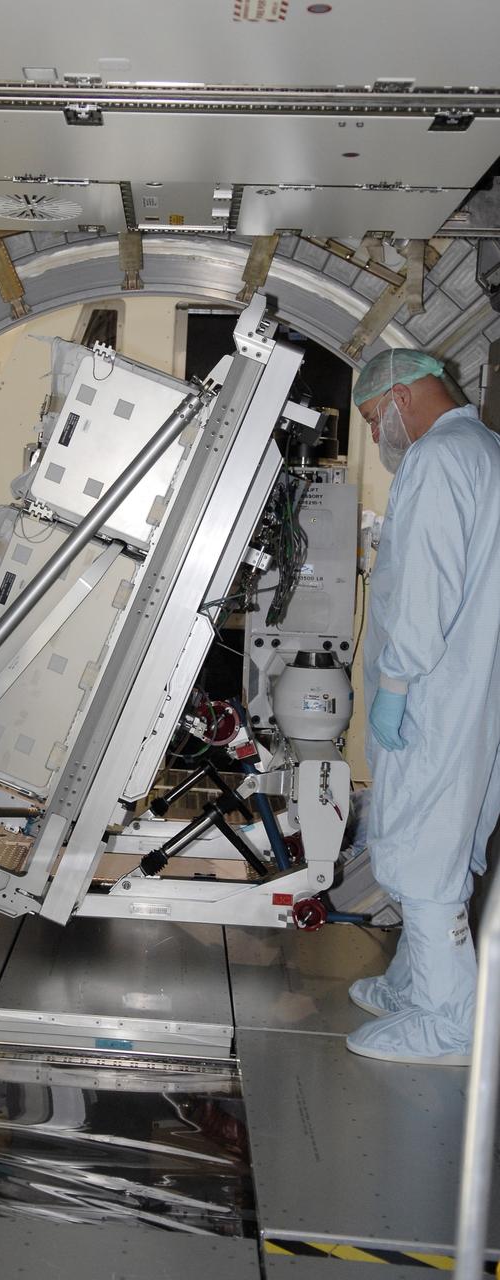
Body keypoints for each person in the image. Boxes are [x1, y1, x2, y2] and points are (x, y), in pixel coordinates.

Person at [347, 348, 500, 1066]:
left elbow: (424, 588)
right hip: (479, 691)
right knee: (451, 844)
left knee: (419, 844)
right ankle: (418, 982)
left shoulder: (438, 460)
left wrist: (397, 685)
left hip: (436, 692)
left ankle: (449, 1024)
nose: (381, 438)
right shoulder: (487, 450)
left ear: (402, 396)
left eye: (376, 421)